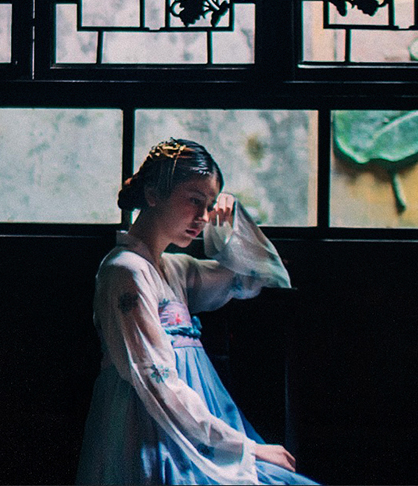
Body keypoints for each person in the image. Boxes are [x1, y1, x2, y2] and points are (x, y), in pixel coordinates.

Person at [77, 139, 317, 485]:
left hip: (199, 424)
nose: (203, 217)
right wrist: (246, 448)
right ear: (153, 194)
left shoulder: (176, 269)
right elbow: (154, 381)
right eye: (194, 200)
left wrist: (229, 227)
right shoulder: (125, 271)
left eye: (209, 206)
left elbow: (259, 278)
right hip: (151, 431)